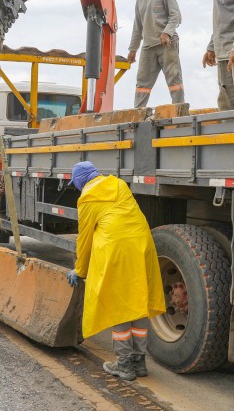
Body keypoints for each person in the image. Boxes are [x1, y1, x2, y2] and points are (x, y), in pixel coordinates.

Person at [66, 161, 165, 381]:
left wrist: (80, 270)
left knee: (119, 306)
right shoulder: (119, 184)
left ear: (81, 181)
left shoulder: (87, 199)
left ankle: (123, 364)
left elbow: (84, 239)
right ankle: (139, 362)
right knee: (137, 302)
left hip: (117, 250)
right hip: (141, 245)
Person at [126, 0, 185, 108]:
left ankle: (178, 109)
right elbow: (137, 27)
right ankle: (138, 113)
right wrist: (133, 49)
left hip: (167, 44)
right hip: (148, 47)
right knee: (142, 83)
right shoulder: (139, 1)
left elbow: (175, 15)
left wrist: (167, 32)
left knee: (174, 79)